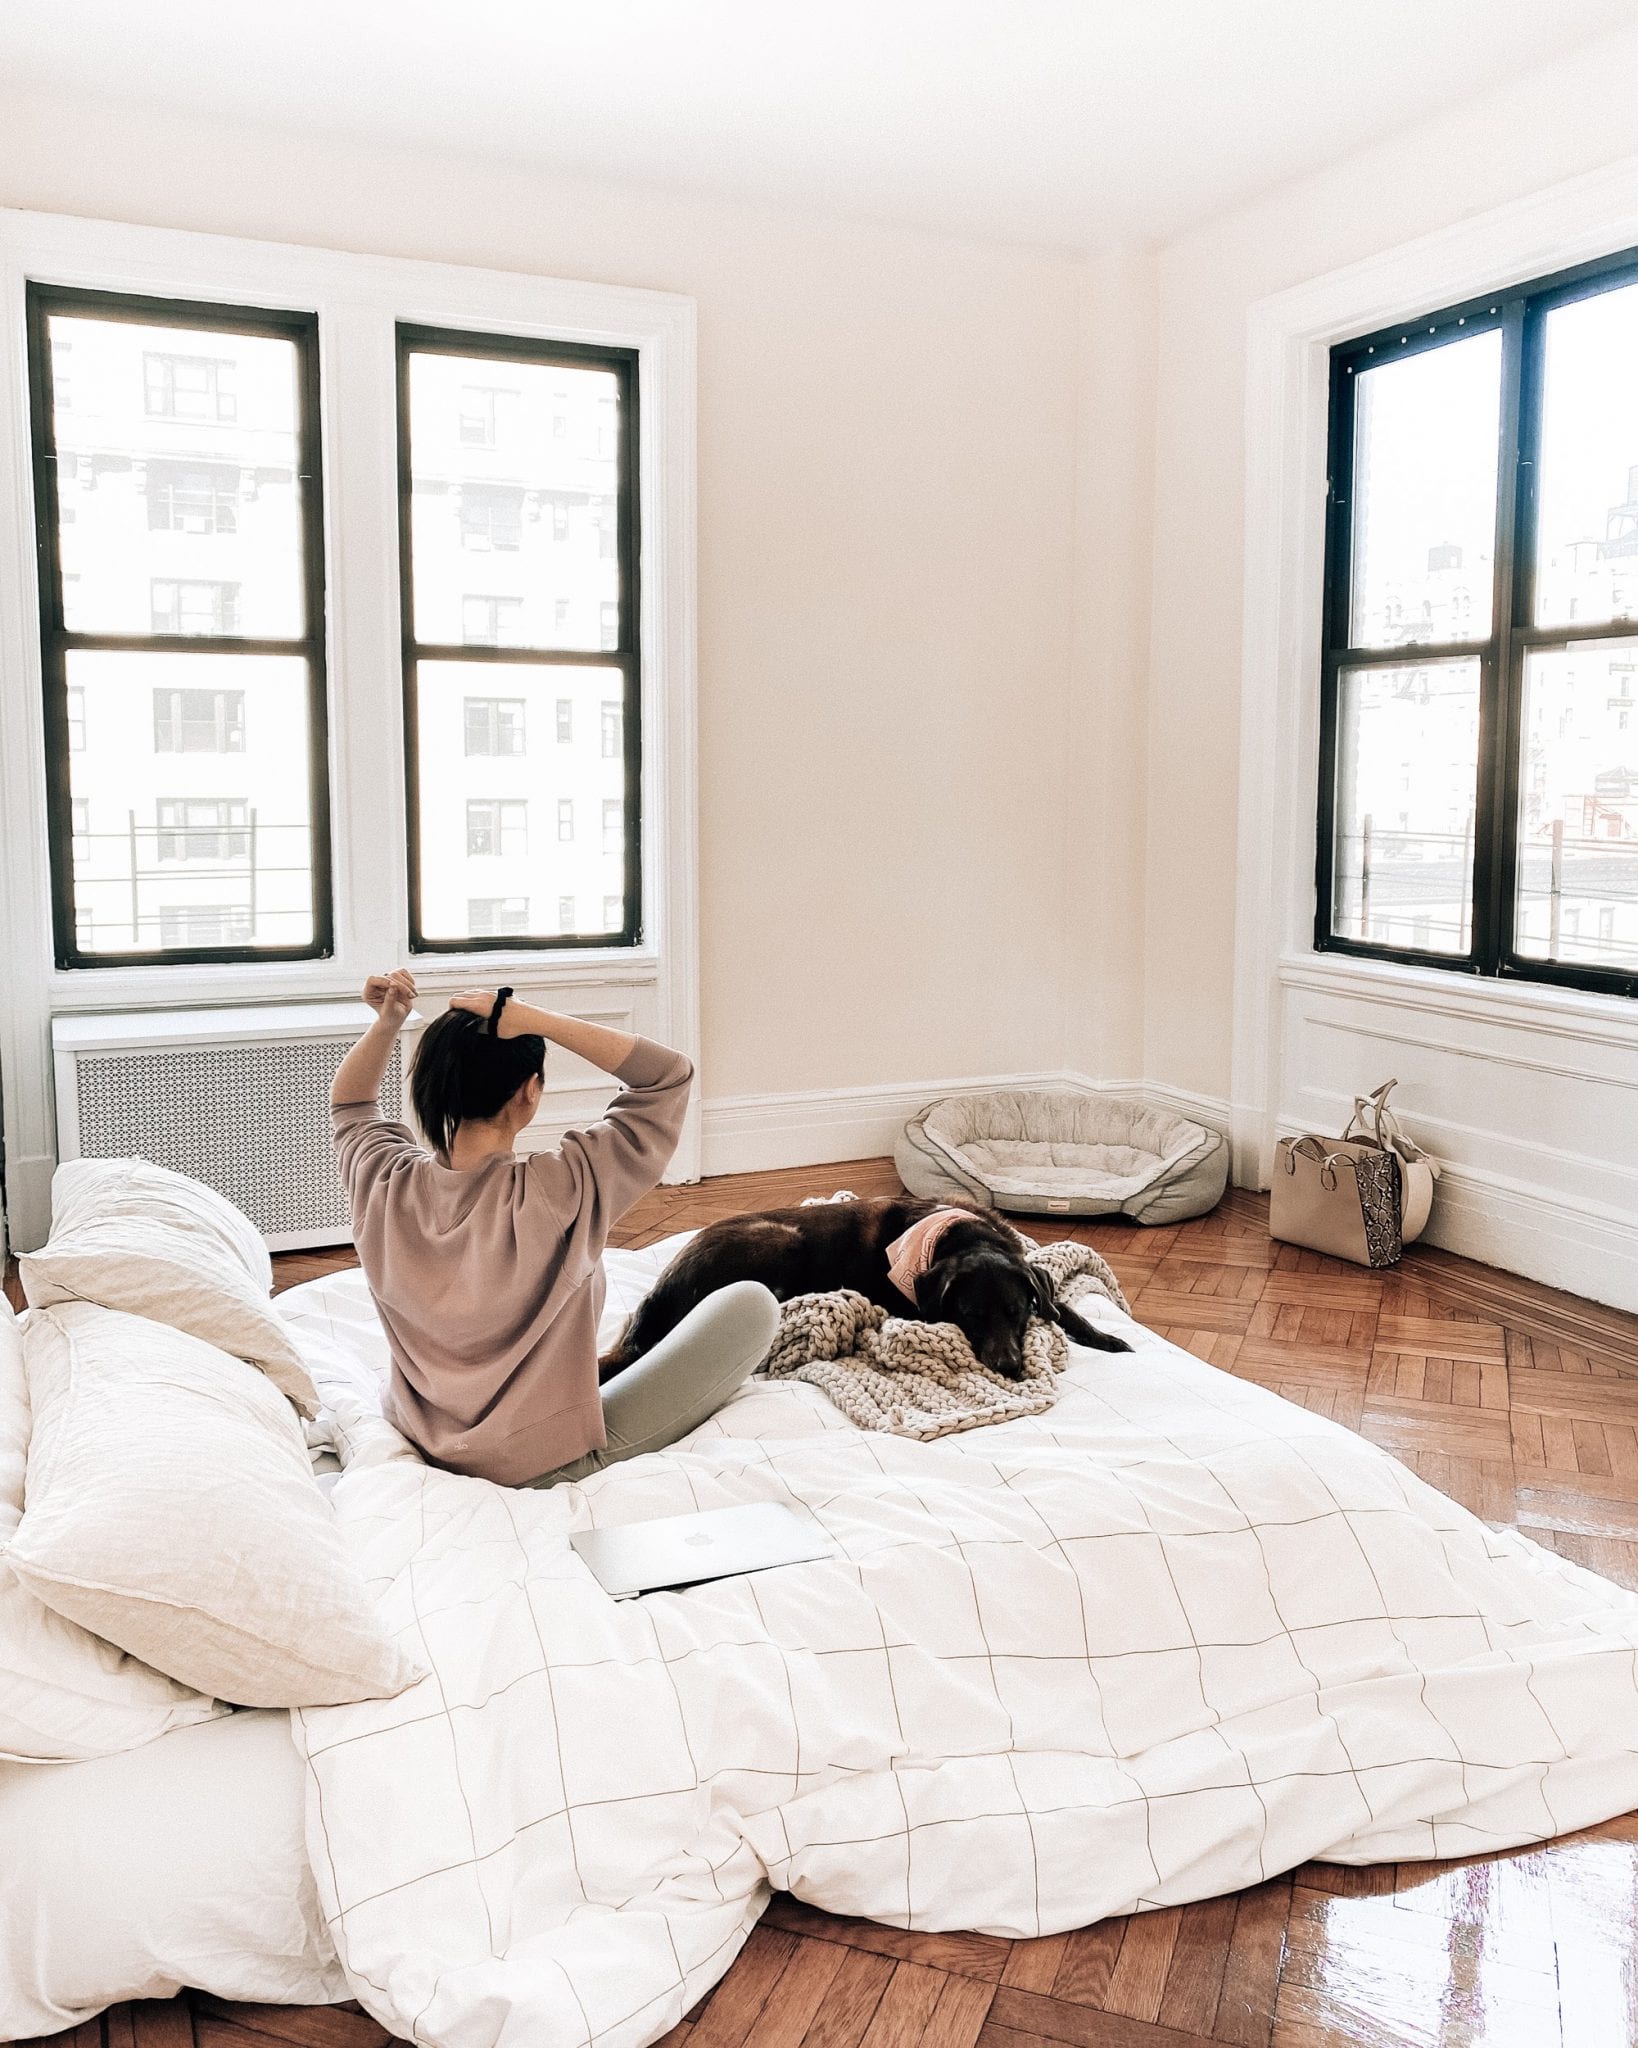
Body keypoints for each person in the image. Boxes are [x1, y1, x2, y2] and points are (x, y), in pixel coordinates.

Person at [329, 970, 778, 1488]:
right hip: (540, 1462)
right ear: (530, 1092)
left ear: (430, 1089)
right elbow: (668, 1075)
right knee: (751, 1304)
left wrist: (388, 1023)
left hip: (421, 1437)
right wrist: (534, 1019)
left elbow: (352, 1104)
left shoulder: (384, 1181)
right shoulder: (563, 1186)